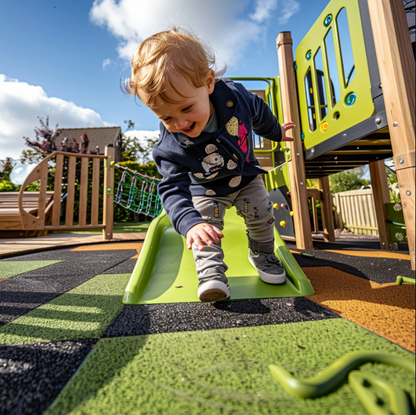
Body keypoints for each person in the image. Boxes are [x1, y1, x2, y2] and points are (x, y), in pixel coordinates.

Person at [124, 28, 295, 302]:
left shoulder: (236, 97)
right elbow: (171, 189)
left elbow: (259, 111)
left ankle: (262, 255)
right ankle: (211, 273)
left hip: (247, 176)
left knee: (262, 215)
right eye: (166, 117)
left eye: (186, 109)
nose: (179, 124)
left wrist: (275, 132)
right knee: (204, 226)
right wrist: (189, 224)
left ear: (208, 83)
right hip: (206, 188)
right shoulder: (170, 146)